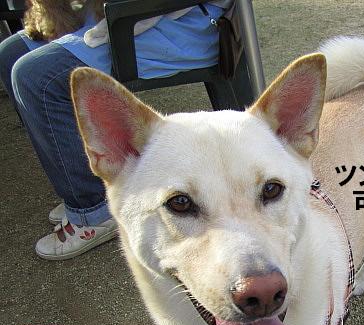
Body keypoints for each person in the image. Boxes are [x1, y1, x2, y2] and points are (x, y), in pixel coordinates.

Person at [0, 1, 227, 260]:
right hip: (90, 15)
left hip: (162, 17)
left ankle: (92, 210)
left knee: (36, 76)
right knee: (10, 53)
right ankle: (77, 181)